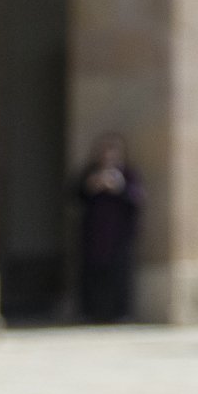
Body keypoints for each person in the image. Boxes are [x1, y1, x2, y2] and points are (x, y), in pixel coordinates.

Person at [74, 132, 143, 324]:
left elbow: (136, 199)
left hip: (118, 234)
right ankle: (90, 312)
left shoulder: (127, 174)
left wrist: (119, 187)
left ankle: (120, 312)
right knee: (92, 274)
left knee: (119, 275)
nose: (107, 156)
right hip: (94, 232)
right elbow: (76, 196)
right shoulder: (90, 172)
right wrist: (91, 186)